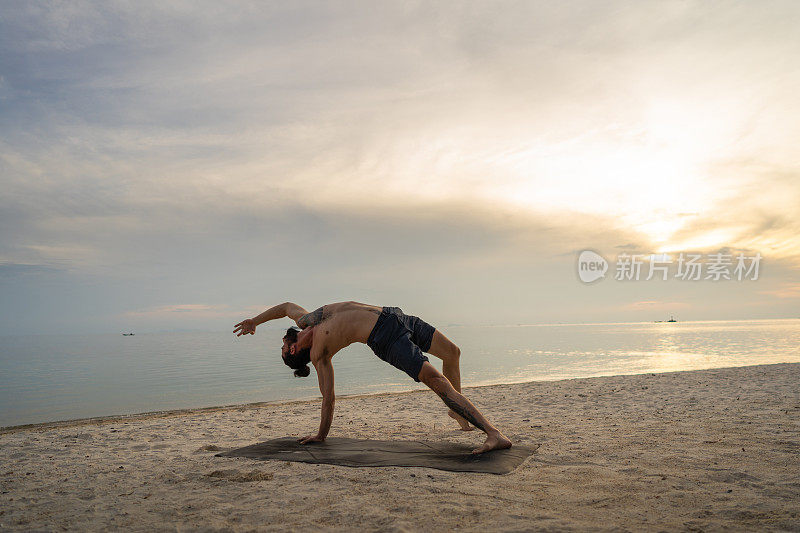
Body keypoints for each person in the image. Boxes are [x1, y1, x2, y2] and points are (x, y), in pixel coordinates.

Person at [233, 301, 512, 454]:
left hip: (396, 317)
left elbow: (284, 307)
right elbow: (328, 399)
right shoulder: (320, 355)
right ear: (293, 350)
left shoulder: (307, 320)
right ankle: (493, 433)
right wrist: (320, 435)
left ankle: (458, 414)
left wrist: (254, 321)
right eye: (283, 349)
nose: (282, 343)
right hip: (385, 338)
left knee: (452, 352)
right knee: (437, 381)